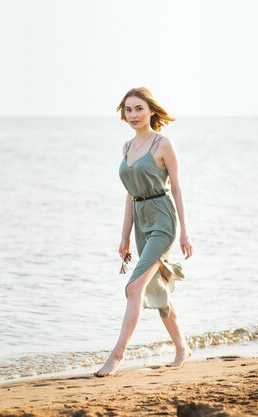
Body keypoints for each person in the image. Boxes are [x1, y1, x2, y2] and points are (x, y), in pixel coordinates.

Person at [93, 87, 194, 377]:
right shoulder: (126, 148)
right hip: (140, 220)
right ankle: (182, 348)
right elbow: (129, 195)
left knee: (133, 287)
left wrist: (185, 232)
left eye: (139, 108)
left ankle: (117, 356)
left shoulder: (163, 144)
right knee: (155, 288)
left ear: (151, 110)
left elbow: (176, 189)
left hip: (163, 221)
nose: (133, 114)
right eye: (128, 109)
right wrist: (124, 237)